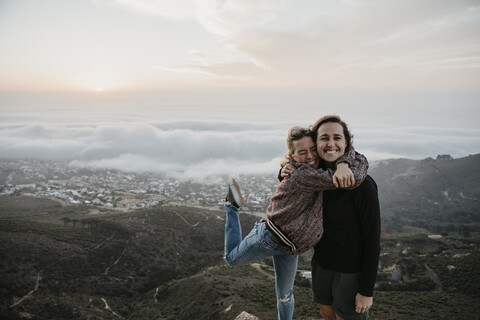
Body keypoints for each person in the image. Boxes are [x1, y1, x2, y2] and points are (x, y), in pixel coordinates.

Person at [224, 125, 369, 320]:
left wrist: (342, 162)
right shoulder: (305, 175)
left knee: (285, 295)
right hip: (270, 237)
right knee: (231, 259)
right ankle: (232, 207)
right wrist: (344, 164)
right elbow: (356, 176)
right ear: (292, 156)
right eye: (302, 152)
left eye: (312, 150)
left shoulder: (311, 171)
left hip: (291, 247)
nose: (310, 156)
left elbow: (344, 151)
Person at [282, 116, 381, 320]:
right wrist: (283, 170)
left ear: (346, 143)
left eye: (337, 137)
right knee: (327, 316)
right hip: (321, 266)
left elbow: (373, 239)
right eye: (324, 138)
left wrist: (366, 290)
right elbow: (295, 174)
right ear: (316, 144)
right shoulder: (314, 178)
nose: (330, 143)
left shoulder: (362, 185)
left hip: (350, 274)